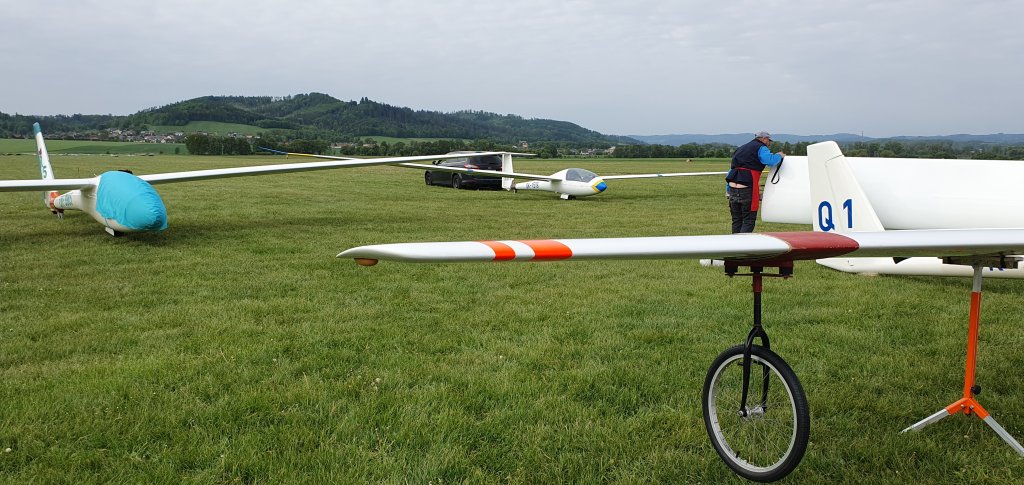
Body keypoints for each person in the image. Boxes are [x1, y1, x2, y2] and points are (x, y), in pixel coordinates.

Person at [726, 131, 785, 233]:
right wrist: (779, 156)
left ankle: (734, 242)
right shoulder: (761, 147)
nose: (769, 143)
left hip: (732, 187)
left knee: (737, 219)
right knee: (748, 221)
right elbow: (770, 161)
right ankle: (743, 243)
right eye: (769, 140)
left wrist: (728, 190)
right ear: (764, 139)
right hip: (747, 187)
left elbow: (732, 170)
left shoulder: (741, 148)